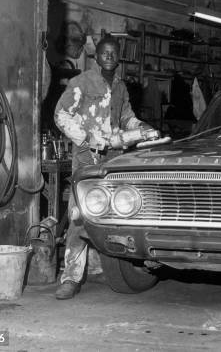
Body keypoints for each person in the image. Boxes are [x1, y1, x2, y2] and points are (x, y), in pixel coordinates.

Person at [54, 35, 154, 299]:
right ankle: (70, 278)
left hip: (114, 159)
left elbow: (126, 116)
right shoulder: (81, 82)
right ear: (96, 56)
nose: (109, 56)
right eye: (104, 53)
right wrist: (86, 137)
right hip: (87, 158)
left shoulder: (120, 86)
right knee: (79, 216)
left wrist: (140, 127)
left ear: (118, 57)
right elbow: (61, 115)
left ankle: (110, 267)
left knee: (118, 212)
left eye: (113, 53)